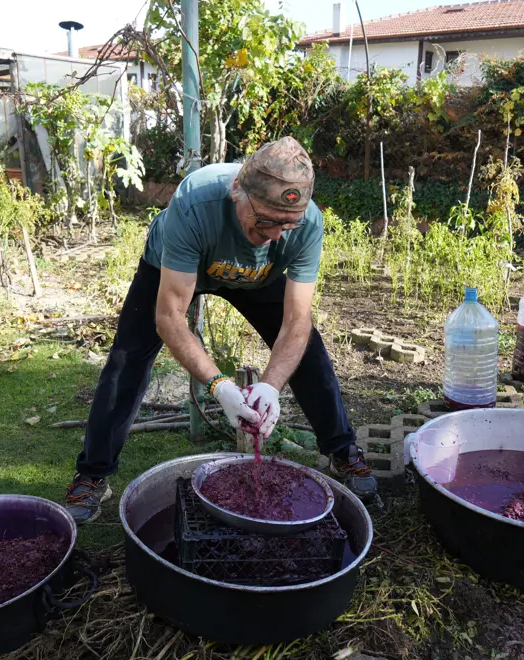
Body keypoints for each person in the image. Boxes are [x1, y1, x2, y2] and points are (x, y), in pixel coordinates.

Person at [65, 137, 377, 523]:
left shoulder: (307, 224)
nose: (276, 234)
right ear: (237, 193)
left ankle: (342, 451)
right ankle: (93, 475)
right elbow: (170, 317)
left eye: (287, 224)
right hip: (181, 266)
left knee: (309, 350)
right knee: (127, 360)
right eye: (266, 220)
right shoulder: (196, 203)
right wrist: (220, 386)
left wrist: (270, 385)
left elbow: (297, 321)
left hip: (260, 278)